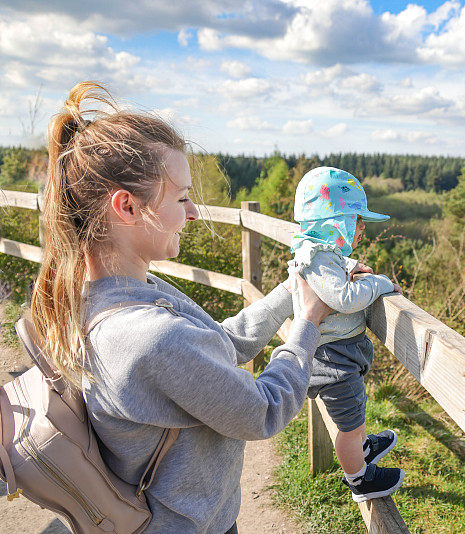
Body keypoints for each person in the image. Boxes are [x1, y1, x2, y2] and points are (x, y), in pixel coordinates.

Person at [29, 81, 333, 534]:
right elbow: (263, 409)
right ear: (127, 206)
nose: (192, 213)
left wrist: (291, 291)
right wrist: (308, 322)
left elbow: (219, 346)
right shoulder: (148, 335)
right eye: (181, 197)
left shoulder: (104, 296)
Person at [290, 166, 404, 502]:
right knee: (349, 424)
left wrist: (351, 265)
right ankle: (358, 479)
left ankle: (361, 447)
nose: (362, 228)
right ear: (334, 223)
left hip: (339, 353)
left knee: (355, 412)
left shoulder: (325, 254)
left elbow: (336, 267)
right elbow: (344, 297)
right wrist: (378, 283)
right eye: (355, 220)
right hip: (332, 359)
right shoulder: (315, 258)